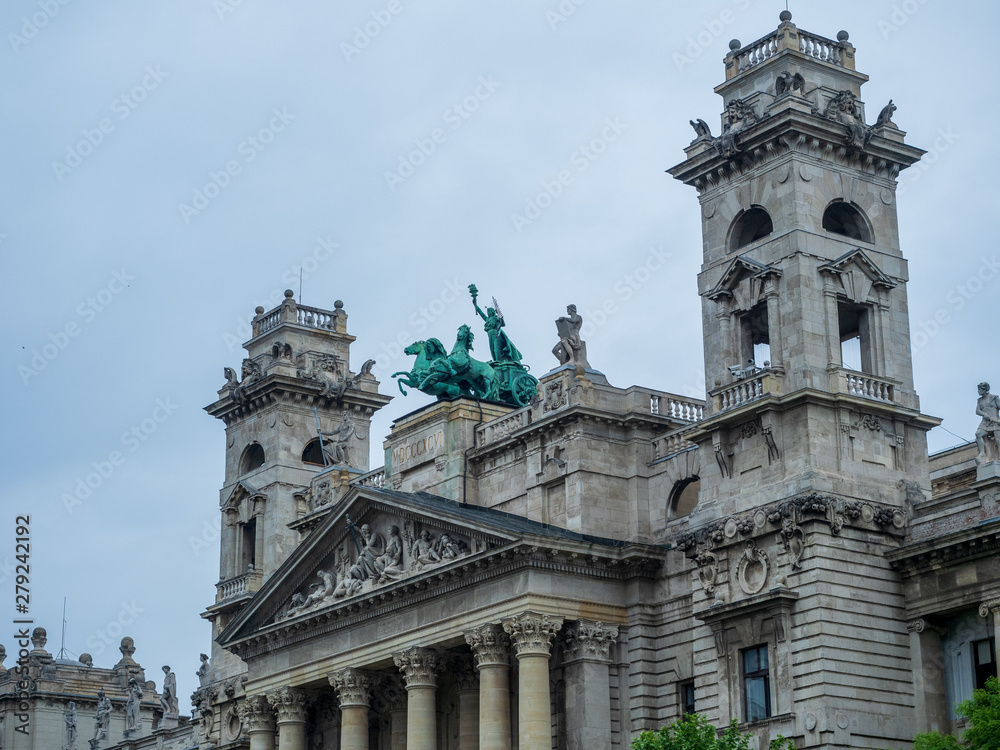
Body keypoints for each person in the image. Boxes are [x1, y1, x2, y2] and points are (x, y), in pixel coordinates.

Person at [470, 285, 522, 363]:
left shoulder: (496, 318)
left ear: (492, 312)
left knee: (497, 348)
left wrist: (501, 318)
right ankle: (496, 360)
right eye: (487, 311)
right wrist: (475, 304)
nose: (488, 313)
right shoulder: (487, 319)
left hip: (496, 333)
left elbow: (503, 324)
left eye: (489, 311)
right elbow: (480, 313)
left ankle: (498, 361)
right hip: (489, 334)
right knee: (492, 349)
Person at [976, 382, 1000, 463]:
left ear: (985, 389)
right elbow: (977, 411)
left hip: (995, 422)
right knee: (978, 434)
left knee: (998, 440)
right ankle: (982, 453)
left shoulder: (994, 398)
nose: (978, 391)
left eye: (980, 389)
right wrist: (984, 414)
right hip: (985, 422)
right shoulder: (980, 400)